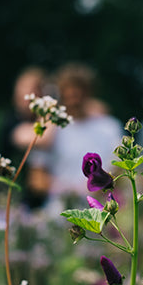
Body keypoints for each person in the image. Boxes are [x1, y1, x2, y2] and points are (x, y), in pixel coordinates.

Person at [45, 62, 122, 213]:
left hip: (101, 210)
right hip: (58, 211)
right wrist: (68, 190)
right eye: (68, 89)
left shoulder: (109, 127)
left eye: (79, 88)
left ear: (89, 91)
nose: (74, 94)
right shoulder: (51, 130)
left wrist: (93, 189)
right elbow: (37, 179)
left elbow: (119, 169)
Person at [0, 66, 53, 209]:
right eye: (24, 89)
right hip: (9, 194)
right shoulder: (11, 121)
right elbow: (43, 139)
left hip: (35, 198)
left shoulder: (37, 121)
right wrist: (49, 112)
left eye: (34, 89)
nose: (27, 94)